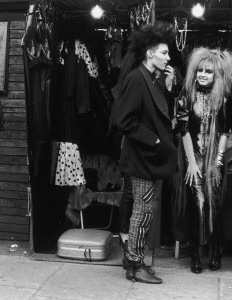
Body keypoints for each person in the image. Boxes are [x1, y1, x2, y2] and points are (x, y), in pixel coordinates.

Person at [115, 22, 177, 284]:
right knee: (143, 210)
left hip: (150, 158)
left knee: (146, 210)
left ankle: (132, 259)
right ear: (150, 53)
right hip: (141, 158)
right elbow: (124, 121)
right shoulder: (135, 78)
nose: (168, 57)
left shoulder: (151, 78)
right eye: (164, 52)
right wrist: (154, 141)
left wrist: (168, 86)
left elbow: (158, 115)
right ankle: (136, 264)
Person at [176, 47, 232, 274]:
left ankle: (216, 251)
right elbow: (184, 130)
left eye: (208, 71)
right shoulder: (186, 95)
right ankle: (196, 255)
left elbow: (226, 132)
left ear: (216, 74)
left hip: (215, 159)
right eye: (200, 70)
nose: (203, 74)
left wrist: (218, 161)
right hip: (195, 158)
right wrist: (191, 162)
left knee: (215, 206)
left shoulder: (224, 98)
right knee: (198, 205)